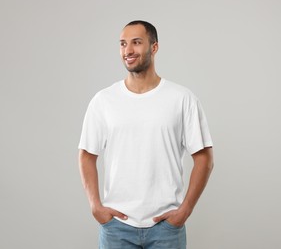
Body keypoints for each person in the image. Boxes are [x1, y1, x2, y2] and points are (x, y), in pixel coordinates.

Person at [78, 20, 214, 249]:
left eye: (136, 43)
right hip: (116, 228)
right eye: (123, 44)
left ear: (154, 47)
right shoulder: (104, 100)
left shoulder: (181, 99)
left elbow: (204, 159)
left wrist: (185, 210)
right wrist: (95, 206)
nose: (128, 51)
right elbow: (86, 154)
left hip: (166, 229)